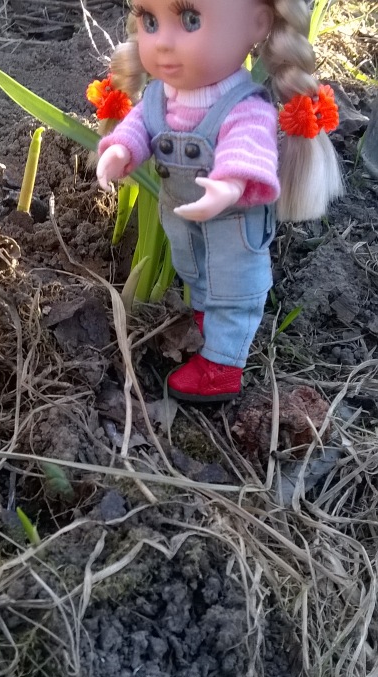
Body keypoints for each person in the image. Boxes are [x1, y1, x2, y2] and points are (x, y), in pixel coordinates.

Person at [95, 0, 343, 402]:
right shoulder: (160, 94)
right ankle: (208, 320)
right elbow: (141, 124)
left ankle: (222, 367)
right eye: (151, 21)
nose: (163, 44)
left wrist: (229, 184)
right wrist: (121, 151)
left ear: (258, 24)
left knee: (235, 289)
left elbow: (248, 148)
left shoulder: (244, 105)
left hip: (234, 223)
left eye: (191, 20)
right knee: (196, 274)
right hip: (182, 216)